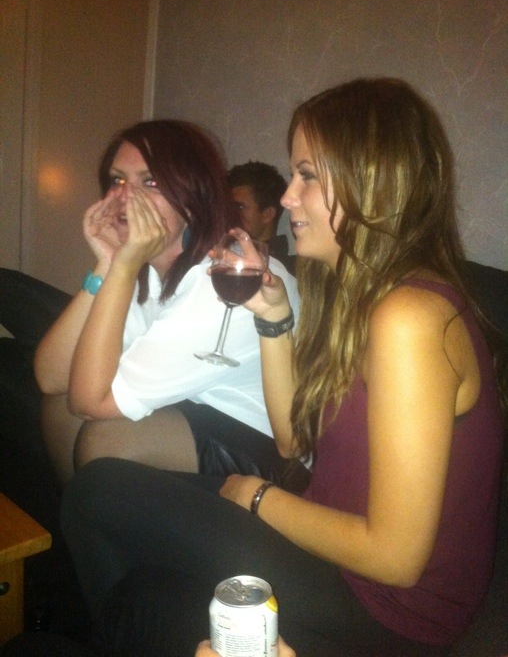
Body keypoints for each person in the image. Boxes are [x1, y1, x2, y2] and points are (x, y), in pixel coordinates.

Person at [60, 79, 506, 656]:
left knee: (99, 491)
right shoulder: (355, 299)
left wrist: (257, 496)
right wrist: (274, 319)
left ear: (374, 181)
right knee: (146, 594)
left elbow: (395, 559)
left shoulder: (411, 318)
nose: (289, 197)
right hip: (332, 551)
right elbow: (295, 440)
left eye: (308, 176)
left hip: (389, 611)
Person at [33, 119, 303, 488]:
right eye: (117, 180)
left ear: (192, 198)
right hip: (192, 409)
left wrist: (123, 266)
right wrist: (106, 264)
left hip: (266, 448)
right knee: (58, 409)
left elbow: (90, 402)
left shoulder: (230, 277)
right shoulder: (148, 265)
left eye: (150, 182)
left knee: (106, 439)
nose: (125, 197)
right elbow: (51, 377)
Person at [228, 160, 295, 273]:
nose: (231, 212)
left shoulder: (290, 269)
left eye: (240, 206)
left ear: (268, 214)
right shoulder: (221, 251)